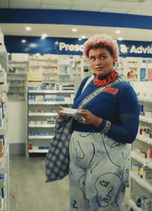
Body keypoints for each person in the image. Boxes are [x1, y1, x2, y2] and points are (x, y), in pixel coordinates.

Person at [58, 34, 139, 210]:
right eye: (92, 58)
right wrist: (67, 115)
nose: (97, 63)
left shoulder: (125, 90)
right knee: (78, 203)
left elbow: (130, 135)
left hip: (108, 160)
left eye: (103, 56)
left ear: (114, 58)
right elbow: (77, 110)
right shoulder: (86, 82)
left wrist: (97, 122)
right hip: (79, 158)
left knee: (103, 203)